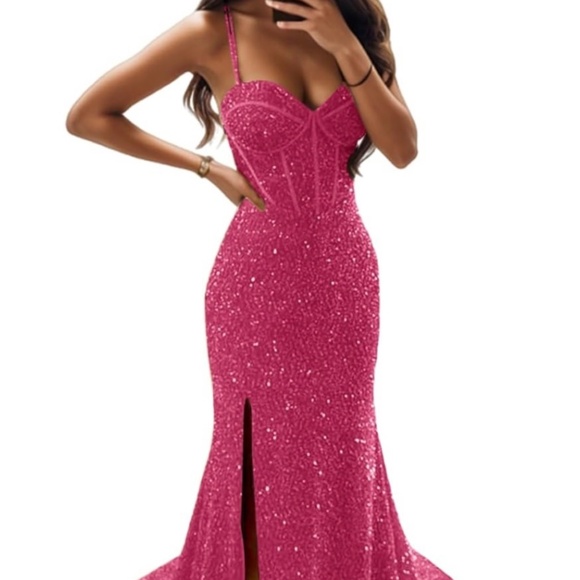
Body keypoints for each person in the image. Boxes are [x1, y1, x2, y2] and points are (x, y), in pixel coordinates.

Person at [66, 1, 452, 578]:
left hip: (345, 282)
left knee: (341, 446)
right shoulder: (212, 31)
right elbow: (88, 115)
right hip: (254, 287)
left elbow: (403, 150)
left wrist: (345, 44)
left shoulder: (348, 21)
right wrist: (207, 167)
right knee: (254, 453)